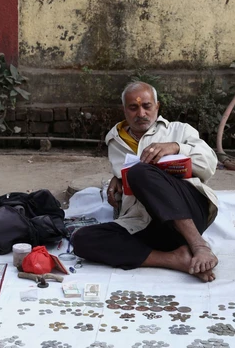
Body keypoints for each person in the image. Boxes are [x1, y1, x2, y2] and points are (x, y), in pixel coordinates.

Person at [73, 82, 219, 282]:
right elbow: (126, 174)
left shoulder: (179, 131)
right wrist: (115, 181)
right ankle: (176, 259)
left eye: (147, 106)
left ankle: (199, 245)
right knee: (81, 240)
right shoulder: (115, 141)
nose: (140, 113)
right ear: (125, 110)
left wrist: (176, 148)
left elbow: (209, 164)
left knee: (139, 171)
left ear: (157, 107)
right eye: (133, 108)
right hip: (147, 224)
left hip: (190, 213)